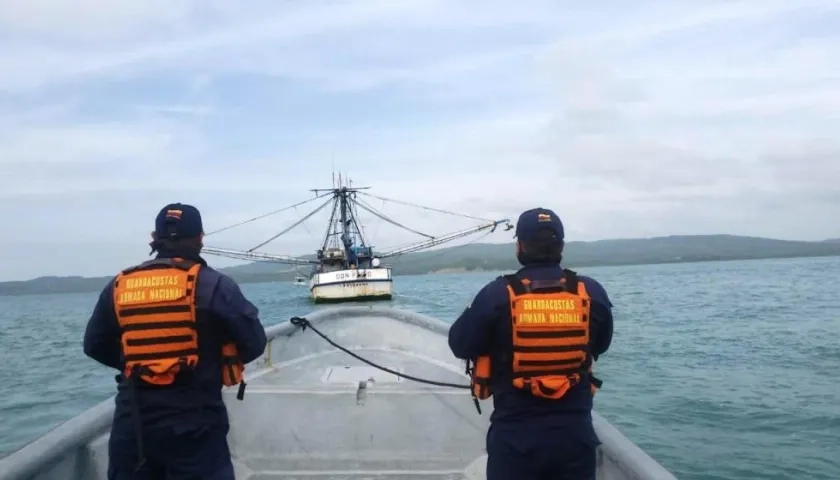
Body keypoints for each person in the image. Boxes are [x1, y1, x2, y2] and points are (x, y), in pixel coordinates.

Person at [83, 203, 267, 480]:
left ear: (154, 237)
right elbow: (253, 343)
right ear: (201, 238)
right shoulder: (215, 285)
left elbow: (94, 345)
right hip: (195, 422)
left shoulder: (119, 286)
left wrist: (143, 362)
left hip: (133, 426)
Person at [448, 207, 614, 480]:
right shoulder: (591, 291)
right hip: (575, 439)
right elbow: (601, 345)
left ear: (520, 247)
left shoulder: (496, 295)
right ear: (560, 246)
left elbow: (460, 345)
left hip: (515, 441)